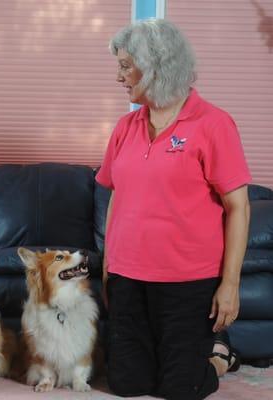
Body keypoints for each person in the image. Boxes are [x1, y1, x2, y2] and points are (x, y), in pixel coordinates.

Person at [96, 19, 251, 400]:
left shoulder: (213, 124)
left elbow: (238, 207)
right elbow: (118, 194)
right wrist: (108, 265)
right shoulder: (125, 127)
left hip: (188, 281)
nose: (119, 77)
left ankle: (218, 355)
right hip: (128, 275)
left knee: (181, 389)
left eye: (125, 65)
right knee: (127, 384)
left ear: (157, 66)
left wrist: (229, 285)